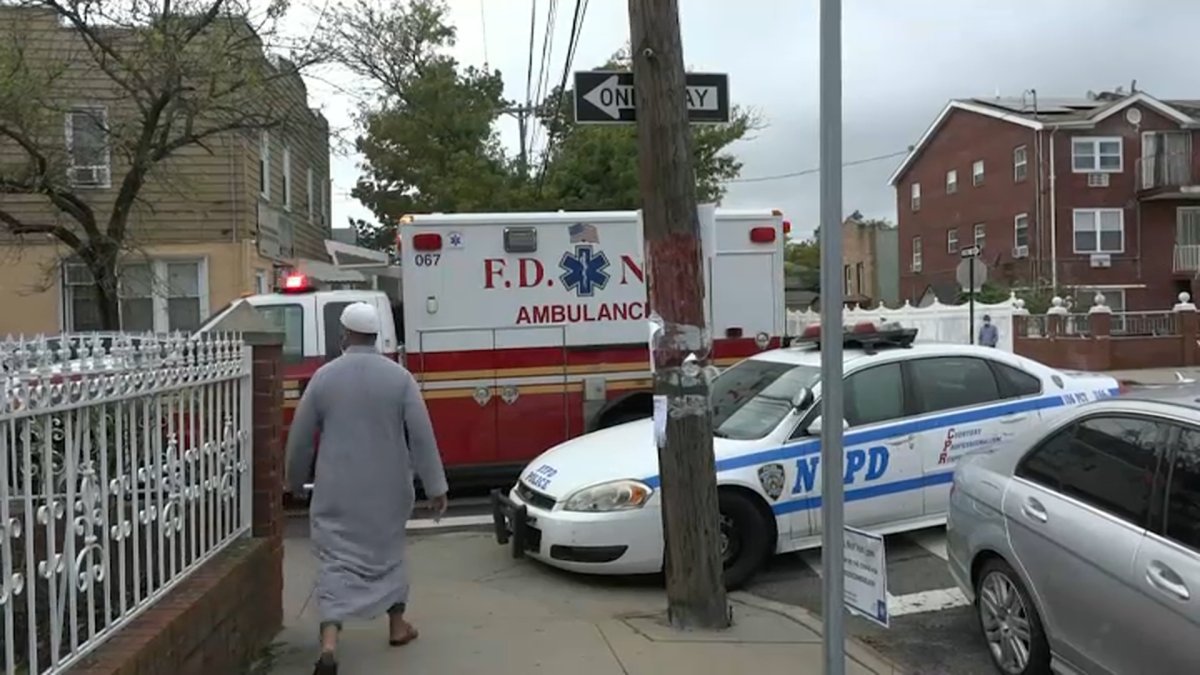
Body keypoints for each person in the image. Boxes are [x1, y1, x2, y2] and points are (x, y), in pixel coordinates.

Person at [284, 302, 449, 675]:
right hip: (389, 489)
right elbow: (422, 435)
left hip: (337, 489)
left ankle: (329, 644)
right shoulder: (400, 378)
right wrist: (436, 485)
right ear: (376, 336)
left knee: (334, 561)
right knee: (388, 553)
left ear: (343, 334)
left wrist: (292, 481)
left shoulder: (323, 378)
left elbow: (300, 440)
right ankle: (397, 626)